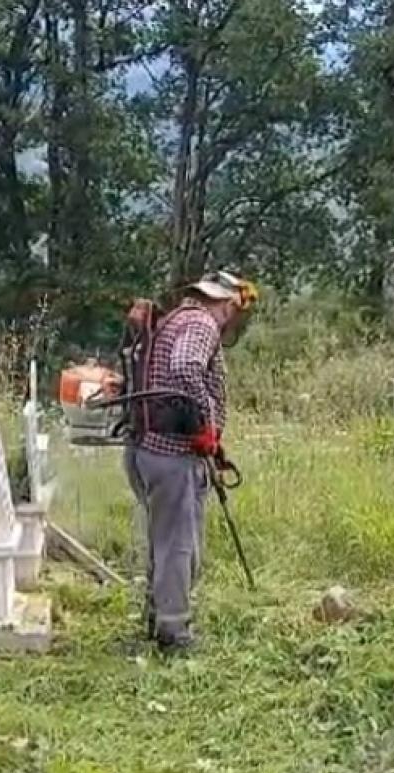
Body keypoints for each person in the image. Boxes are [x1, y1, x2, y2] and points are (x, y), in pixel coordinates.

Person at [123, 271, 258, 655]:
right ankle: (174, 632)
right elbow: (184, 367)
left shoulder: (174, 319)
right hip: (172, 454)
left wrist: (210, 442)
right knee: (179, 546)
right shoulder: (201, 323)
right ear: (230, 303)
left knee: (162, 542)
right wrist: (205, 424)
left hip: (144, 449)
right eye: (237, 310)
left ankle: (157, 616)